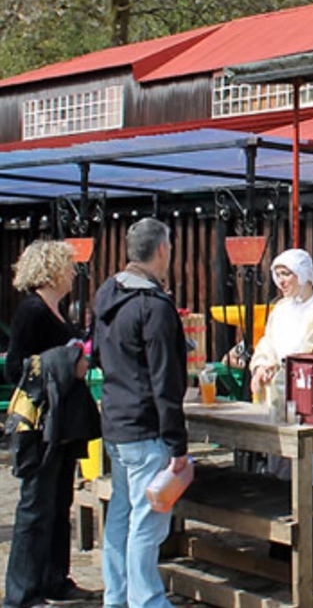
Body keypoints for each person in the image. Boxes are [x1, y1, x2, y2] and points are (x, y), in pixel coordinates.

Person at [93, 218, 188, 608]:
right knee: (147, 525)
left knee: (120, 518)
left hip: (115, 421)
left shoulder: (107, 294)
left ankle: (116, 598)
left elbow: (99, 354)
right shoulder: (154, 306)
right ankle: (146, 602)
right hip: (146, 427)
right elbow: (164, 380)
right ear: (163, 250)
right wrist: (177, 443)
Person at [3, 239, 101, 608]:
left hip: (63, 423)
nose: (73, 272)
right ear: (51, 269)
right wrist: (65, 360)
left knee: (60, 502)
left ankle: (54, 579)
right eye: (67, 265)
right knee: (34, 506)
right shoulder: (31, 311)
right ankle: (22, 592)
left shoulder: (58, 310)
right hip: (41, 422)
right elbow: (16, 367)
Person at [249, 248, 313, 484]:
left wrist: (282, 366)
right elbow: (266, 344)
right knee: (279, 474)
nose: (281, 281)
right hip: (278, 403)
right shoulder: (279, 310)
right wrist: (261, 366)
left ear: (302, 274)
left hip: (309, 407)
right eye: (277, 274)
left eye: (286, 274)